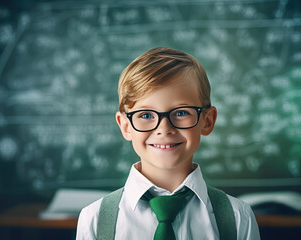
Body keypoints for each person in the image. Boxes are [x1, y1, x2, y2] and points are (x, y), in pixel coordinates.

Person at [76, 47, 260, 239]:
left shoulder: (238, 218)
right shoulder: (94, 220)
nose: (164, 129)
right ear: (125, 126)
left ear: (207, 120)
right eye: (145, 115)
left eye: (181, 113)